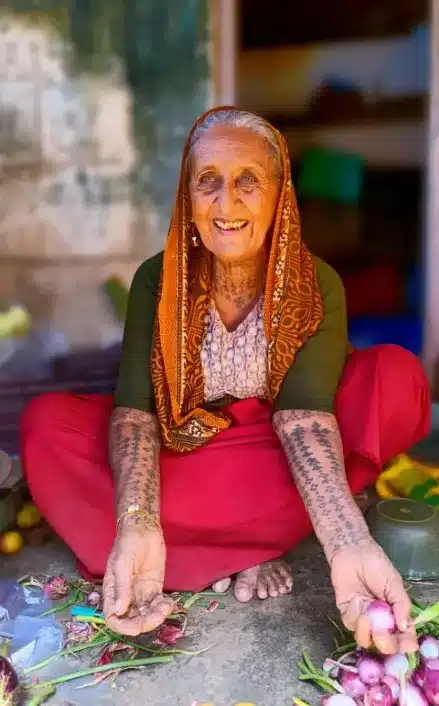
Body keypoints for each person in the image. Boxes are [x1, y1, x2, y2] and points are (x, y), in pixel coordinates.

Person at [21, 107, 430, 654]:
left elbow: (305, 416)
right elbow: (137, 410)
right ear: (187, 197)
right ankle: (212, 544)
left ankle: (215, 547)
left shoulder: (317, 283)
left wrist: (349, 542)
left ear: (279, 195)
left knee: (394, 378)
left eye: (248, 182)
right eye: (207, 182)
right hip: (190, 451)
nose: (227, 203)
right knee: (47, 426)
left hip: (280, 453)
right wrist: (138, 521)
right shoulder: (157, 279)